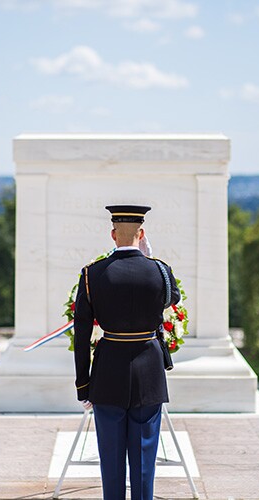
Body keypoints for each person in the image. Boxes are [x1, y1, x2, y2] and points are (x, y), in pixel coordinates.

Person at [73, 205, 180, 500]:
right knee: (145, 461)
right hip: (149, 371)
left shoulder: (91, 274)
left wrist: (83, 384)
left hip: (108, 372)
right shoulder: (160, 270)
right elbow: (174, 297)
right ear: (141, 233)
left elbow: (81, 334)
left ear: (112, 234)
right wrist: (149, 258)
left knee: (111, 459)